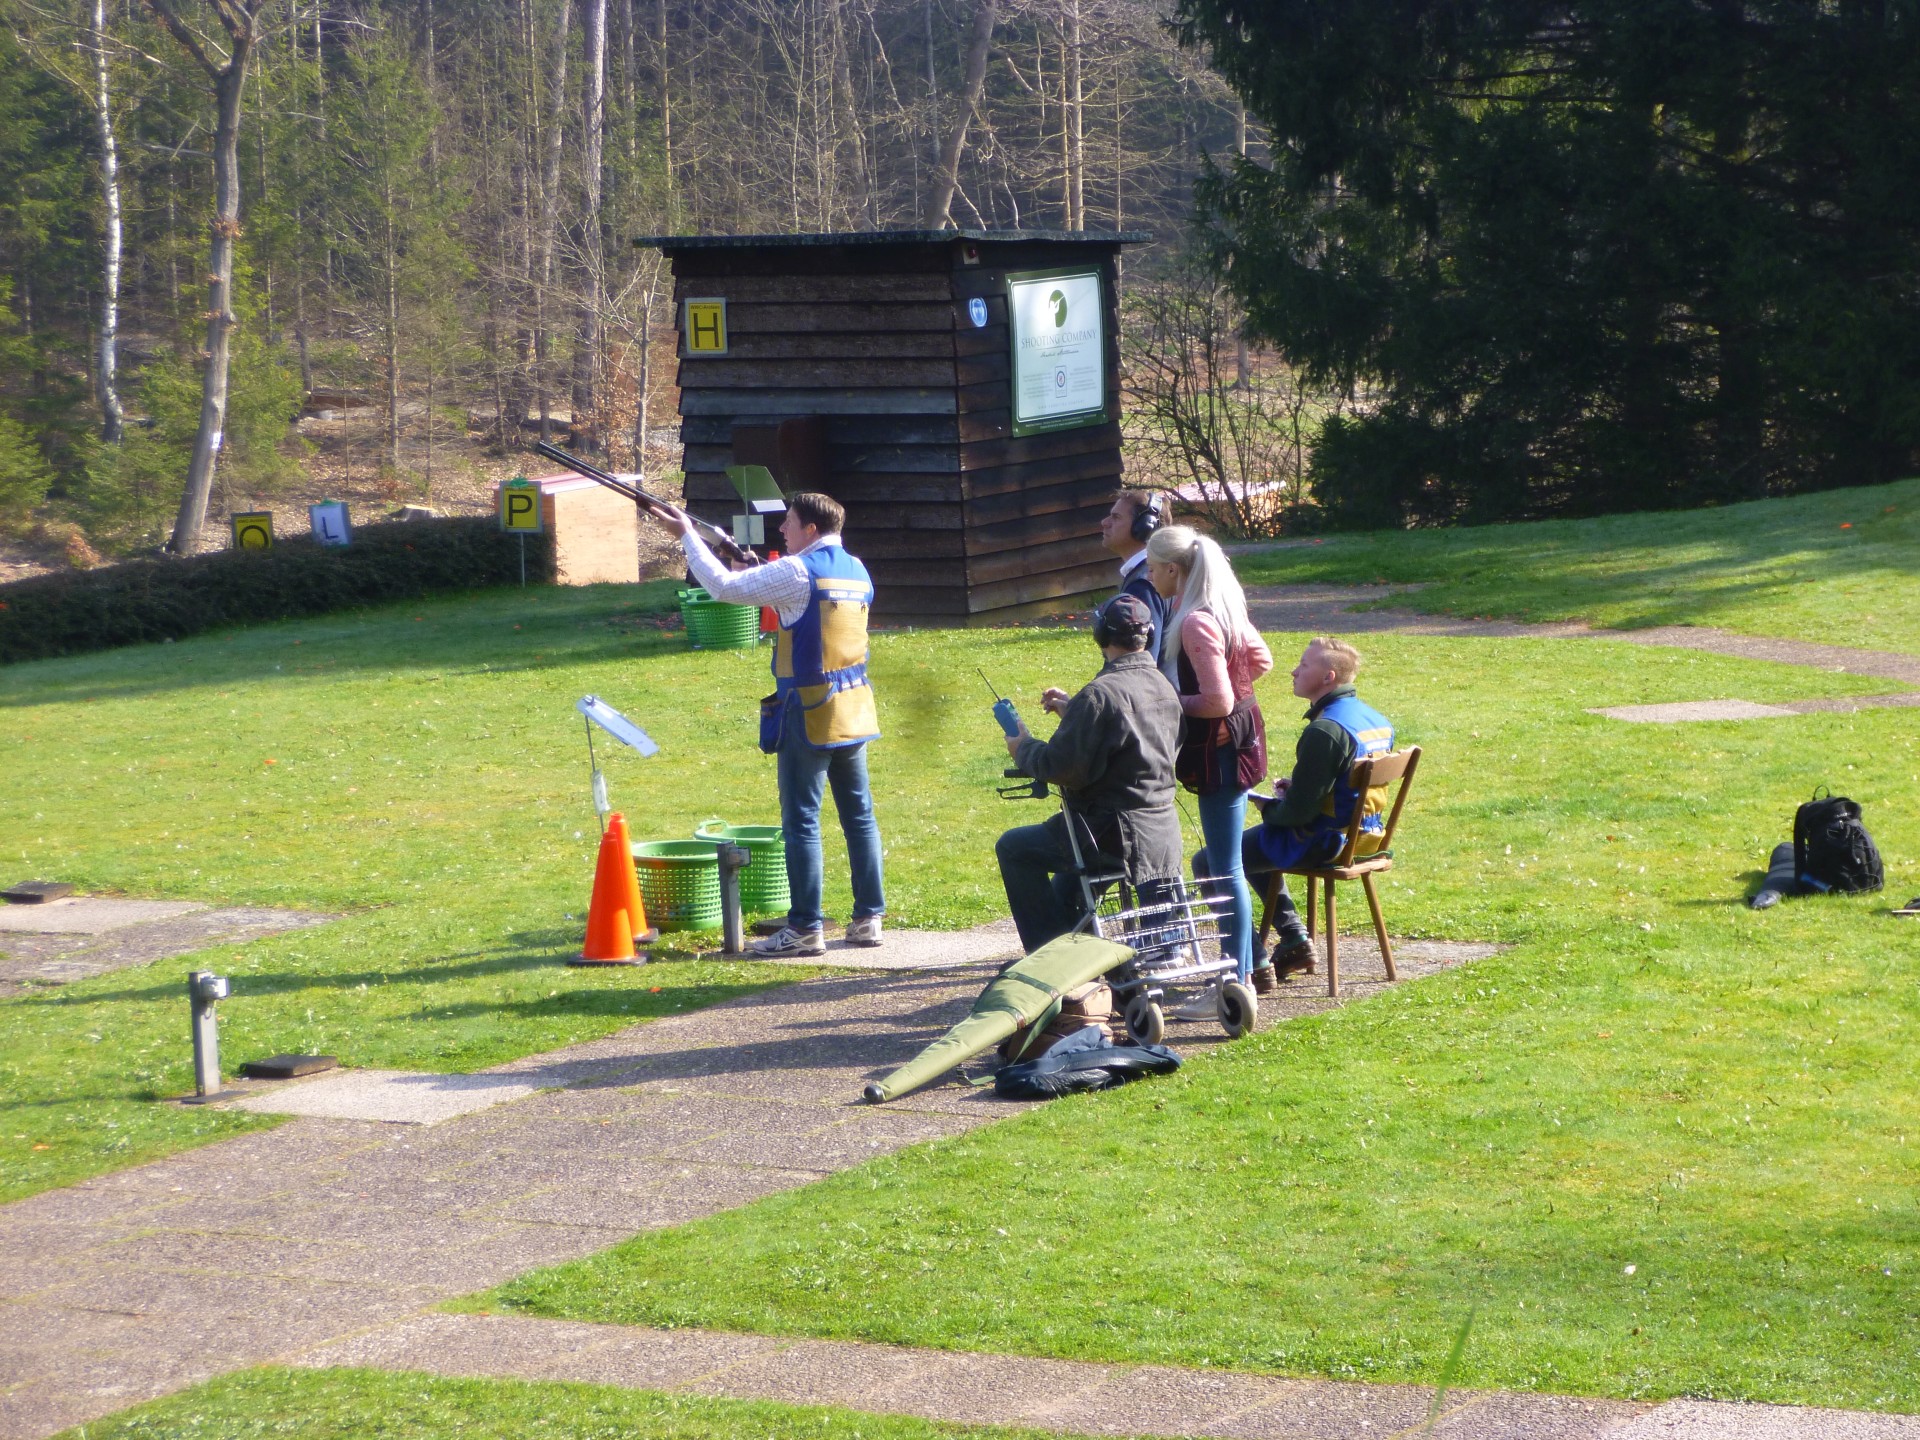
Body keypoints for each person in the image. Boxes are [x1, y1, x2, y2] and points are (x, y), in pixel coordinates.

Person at [654, 491, 884, 957]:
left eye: (790, 522)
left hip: (808, 709)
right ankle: (868, 919)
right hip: (853, 708)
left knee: (801, 821)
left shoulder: (796, 570)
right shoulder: (857, 569)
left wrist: (686, 536)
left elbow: (722, 588)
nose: (782, 529)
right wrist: (751, 567)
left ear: (811, 529)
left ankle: (805, 928)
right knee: (859, 818)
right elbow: (803, 613)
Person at [993, 593, 1184, 954]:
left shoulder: (1100, 695)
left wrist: (1023, 747)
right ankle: (1074, 955)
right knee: (1065, 888)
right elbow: (1134, 746)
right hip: (1160, 829)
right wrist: (1074, 712)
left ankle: (1049, 962)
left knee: (1014, 848)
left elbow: (1060, 767)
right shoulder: (1162, 685)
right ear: (1148, 635)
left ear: (1101, 634)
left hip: (1109, 832)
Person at [1143, 525, 1272, 987]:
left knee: (1225, 868)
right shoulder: (1222, 605)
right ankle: (1247, 968)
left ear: (1172, 569)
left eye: (1152, 568)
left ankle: (1235, 979)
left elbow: (1217, 701)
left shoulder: (1196, 620)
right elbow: (1261, 660)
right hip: (1242, 743)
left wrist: (1166, 699)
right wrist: (1236, 683)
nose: (1149, 576)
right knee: (1225, 865)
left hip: (1221, 753)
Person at [1229, 637, 1394, 989]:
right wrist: (1302, 789)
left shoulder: (1324, 730)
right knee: (1252, 849)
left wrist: (1269, 807)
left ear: (1327, 677)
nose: (1294, 671)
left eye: (1304, 665)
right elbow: (1347, 786)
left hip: (1326, 842)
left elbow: (1298, 815)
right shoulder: (1376, 720)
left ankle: (1256, 963)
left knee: (1217, 860)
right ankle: (1294, 941)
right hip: (1365, 837)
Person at [1097, 488, 1170, 676]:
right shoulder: (1153, 573)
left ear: (1144, 527)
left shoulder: (1143, 584)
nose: (1105, 522)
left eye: (1116, 517)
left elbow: (1138, 666)